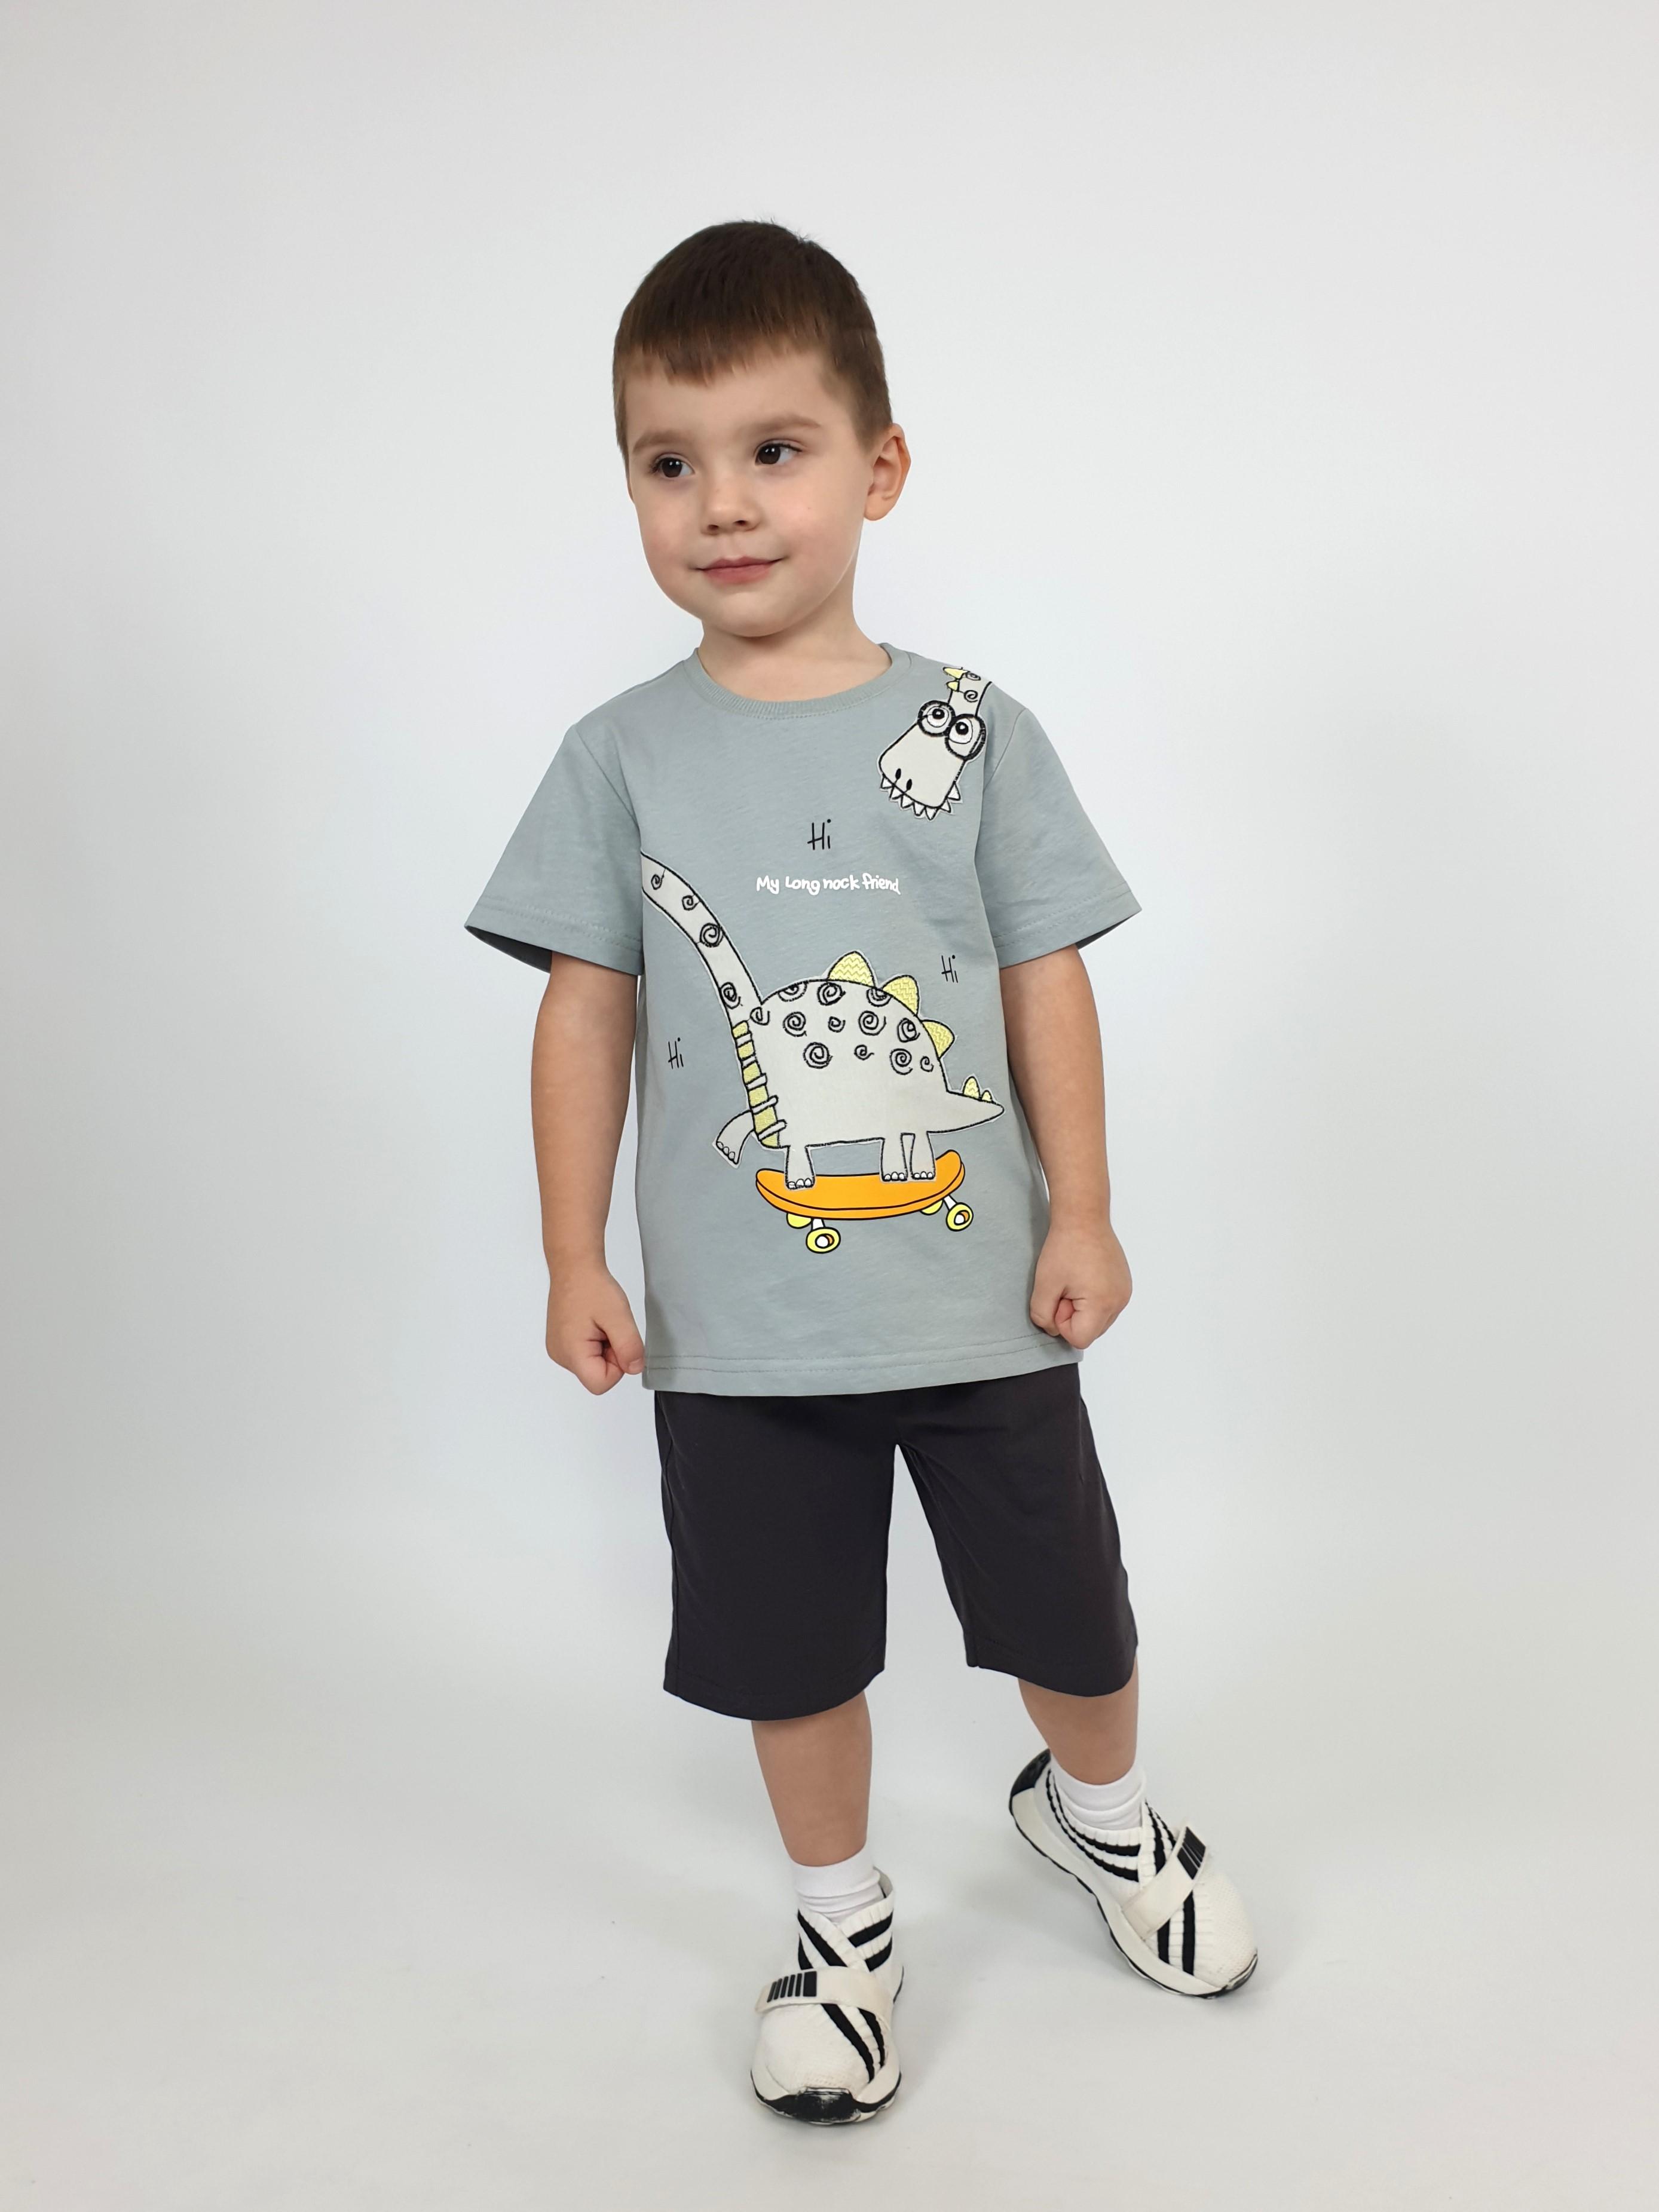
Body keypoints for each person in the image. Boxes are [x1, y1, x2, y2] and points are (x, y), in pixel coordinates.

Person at [466, 219, 1256, 2126]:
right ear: (631, 490)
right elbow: (584, 1012)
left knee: (1072, 1614)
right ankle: (841, 1926)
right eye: (671, 463)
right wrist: (572, 1251)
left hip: (984, 1298)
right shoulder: (619, 757)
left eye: (774, 450)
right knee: (790, 1652)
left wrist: (1086, 1208)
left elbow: (1046, 976)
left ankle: (1104, 1816)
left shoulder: (971, 731)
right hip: (741, 1334)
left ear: (879, 468)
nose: (724, 504)